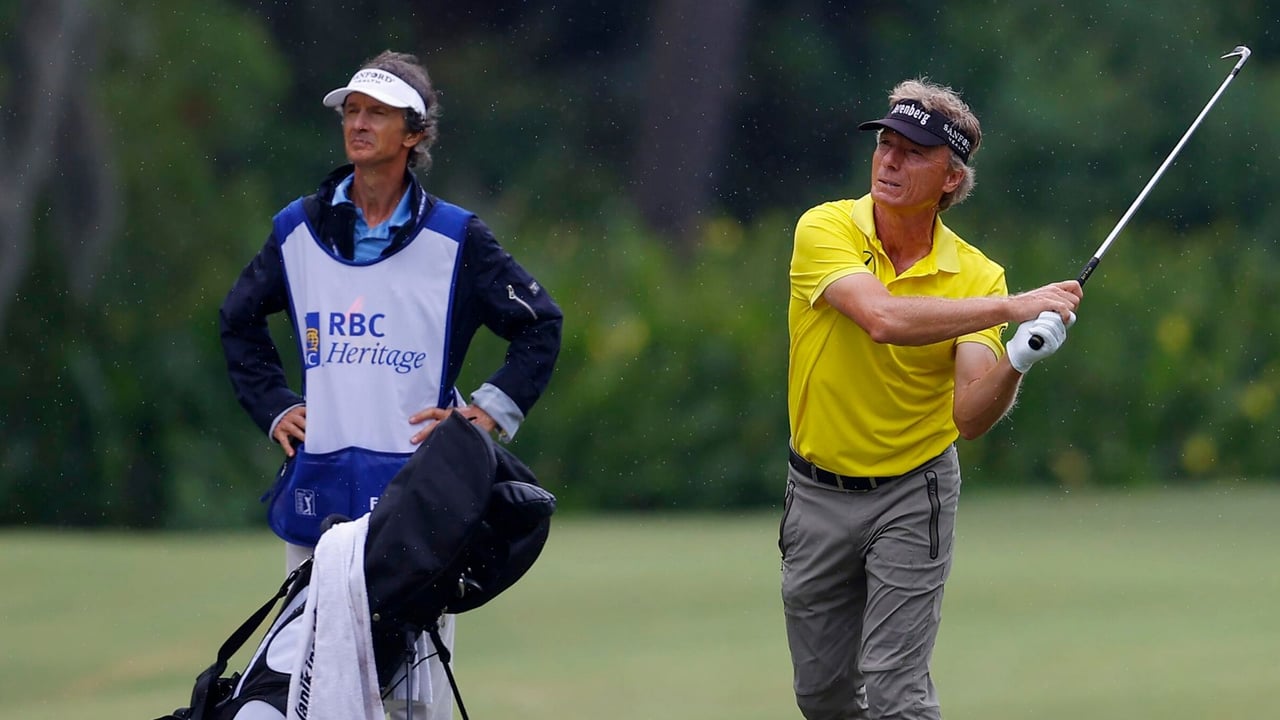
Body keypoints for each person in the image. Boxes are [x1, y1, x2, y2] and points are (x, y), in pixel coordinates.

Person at [219, 50, 563, 720]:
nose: (359, 123)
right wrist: (275, 407)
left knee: (411, 703)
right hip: (319, 491)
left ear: (415, 133)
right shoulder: (297, 229)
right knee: (307, 692)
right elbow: (239, 321)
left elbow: (538, 324)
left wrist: (483, 417)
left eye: (377, 112)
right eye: (352, 110)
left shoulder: (458, 237)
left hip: (422, 501)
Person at [780, 78, 1082, 720]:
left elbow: (969, 416)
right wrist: (1011, 308)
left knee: (897, 694)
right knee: (822, 697)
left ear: (951, 178)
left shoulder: (977, 275)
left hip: (913, 493)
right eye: (885, 145)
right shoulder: (826, 227)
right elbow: (882, 318)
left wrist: (1016, 360)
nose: (890, 162)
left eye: (913, 152)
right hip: (816, 490)